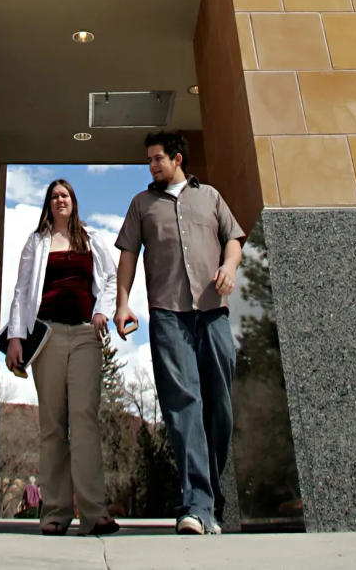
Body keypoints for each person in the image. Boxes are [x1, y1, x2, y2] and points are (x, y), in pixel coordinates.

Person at [114, 131, 244, 536]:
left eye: (157, 159)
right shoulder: (142, 204)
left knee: (219, 406)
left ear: (177, 158)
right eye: (149, 160)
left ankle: (212, 500)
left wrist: (229, 267)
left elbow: (234, 240)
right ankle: (195, 504)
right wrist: (122, 303)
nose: (152, 166)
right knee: (183, 404)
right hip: (168, 314)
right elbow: (128, 256)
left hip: (212, 312)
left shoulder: (210, 197)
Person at [5, 178, 119, 536]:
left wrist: (102, 310)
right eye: (54, 196)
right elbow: (22, 289)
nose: (59, 200)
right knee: (53, 425)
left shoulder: (92, 240)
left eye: (65, 195)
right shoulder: (36, 242)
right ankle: (54, 511)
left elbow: (111, 280)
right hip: (48, 336)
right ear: (48, 204)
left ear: (74, 201)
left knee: (84, 420)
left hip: (85, 335)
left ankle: (94, 511)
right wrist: (15, 337)